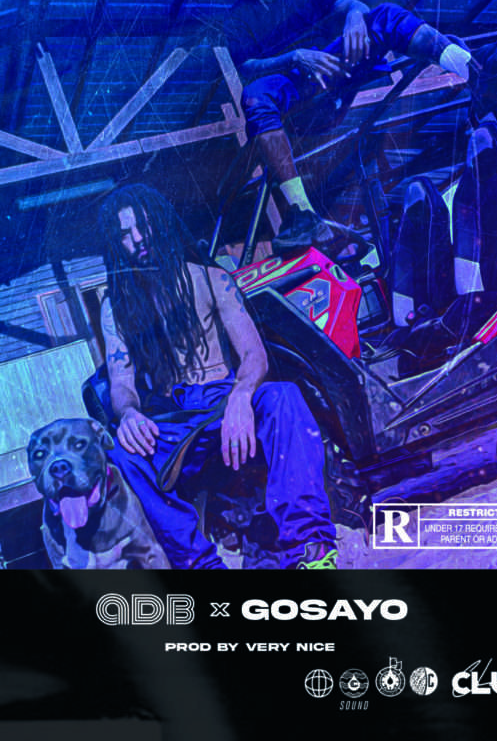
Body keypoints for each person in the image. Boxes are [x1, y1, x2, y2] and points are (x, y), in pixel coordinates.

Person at [98, 182, 338, 570]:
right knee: (121, 454)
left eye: (143, 226)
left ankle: (309, 547)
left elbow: (253, 354)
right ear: (115, 244)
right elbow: (121, 381)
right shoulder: (116, 306)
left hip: (225, 396)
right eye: (125, 234)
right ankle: (201, 566)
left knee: (283, 397)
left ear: (161, 222)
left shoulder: (210, 277)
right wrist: (128, 414)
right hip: (175, 417)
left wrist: (241, 397)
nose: (138, 239)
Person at [223, 0, 473, 254]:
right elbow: (245, 67)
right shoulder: (238, 17)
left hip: (334, 70)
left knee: (384, 15)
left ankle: (473, 69)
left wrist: (356, 16)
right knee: (255, 96)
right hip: (294, 91)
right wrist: (294, 57)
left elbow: (352, 5)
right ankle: (302, 212)